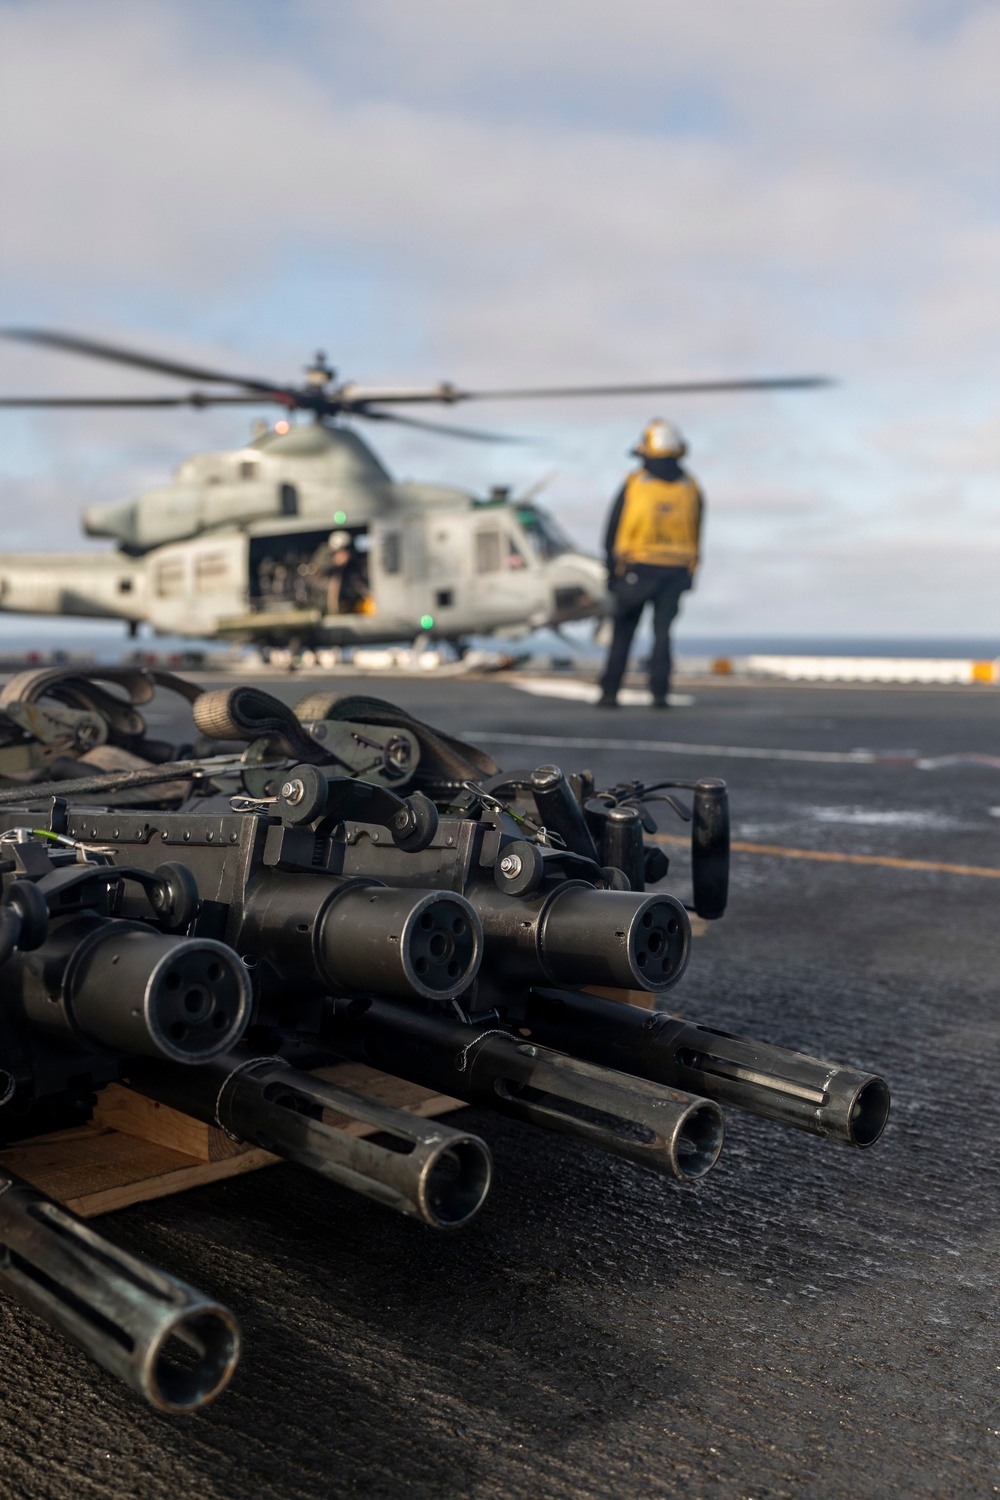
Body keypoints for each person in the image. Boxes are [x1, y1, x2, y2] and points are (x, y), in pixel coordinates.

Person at [597, 419, 703, 708]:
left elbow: (613, 529)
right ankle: (659, 692)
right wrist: (691, 573)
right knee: (662, 634)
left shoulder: (635, 484)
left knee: (623, 632)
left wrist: (610, 571)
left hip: (635, 569)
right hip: (676, 571)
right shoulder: (690, 487)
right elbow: (697, 530)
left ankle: (610, 692)